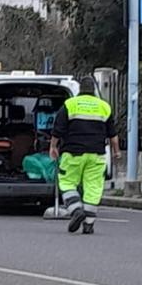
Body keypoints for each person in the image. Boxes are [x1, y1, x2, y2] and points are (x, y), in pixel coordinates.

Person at [50, 76, 120, 235]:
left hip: (73, 153)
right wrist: (116, 152)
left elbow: (57, 130)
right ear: (94, 90)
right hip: (97, 155)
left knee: (67, 182)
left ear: (80, 89)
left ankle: (76, 210)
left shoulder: (70, 105)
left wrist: (53, 147)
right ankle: (88, 224)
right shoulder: (104, 107)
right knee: (93, 188)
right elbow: (113, 135)